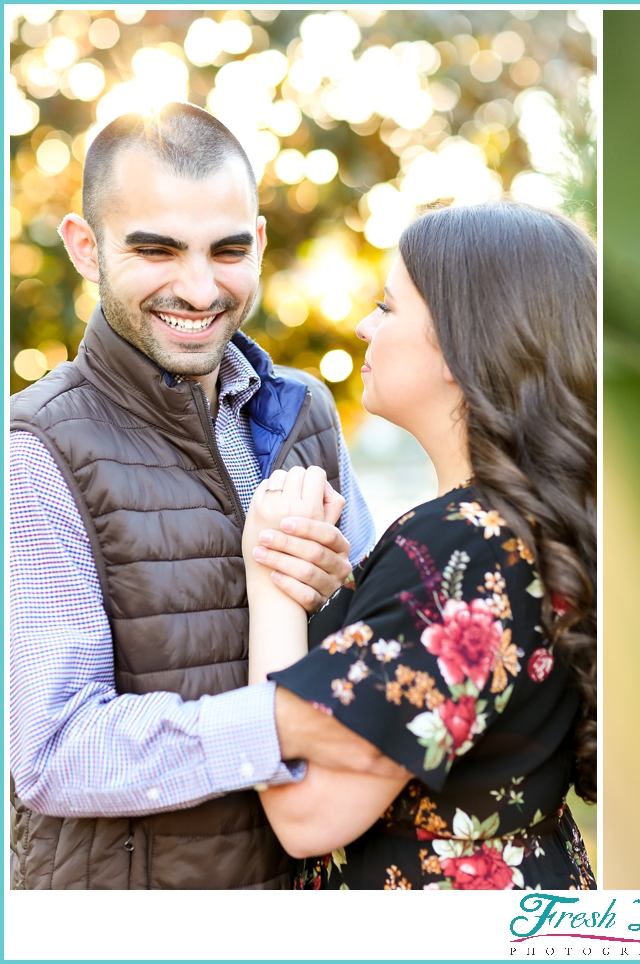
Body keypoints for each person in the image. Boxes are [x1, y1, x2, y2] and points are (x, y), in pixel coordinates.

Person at [8, 103, 389, 890]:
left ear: (257, 239)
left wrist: (338, 589)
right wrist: (273, 722)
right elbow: (51, 751)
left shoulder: (306, 412)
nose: (199, 287)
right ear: (87, 248)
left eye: (228, 250)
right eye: (156, 249)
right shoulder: (36, 451)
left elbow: (374, 640)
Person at [239, 202, 597, 889]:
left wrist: (271, 574)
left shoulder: (463, 548)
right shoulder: (530, 527)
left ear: (463, 345)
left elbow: (305, 813)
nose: (365, 325)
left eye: (388, 306)